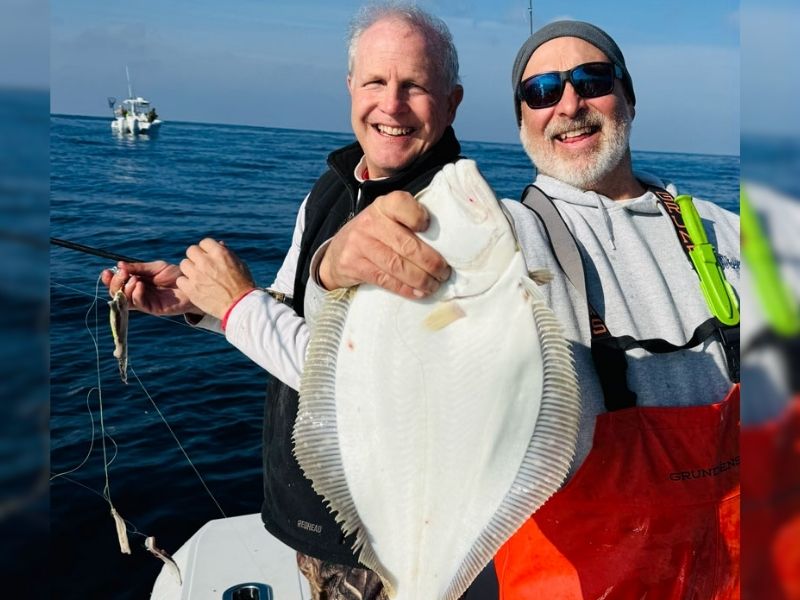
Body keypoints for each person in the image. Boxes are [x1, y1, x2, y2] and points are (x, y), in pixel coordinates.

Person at [317, 20, 741, 599]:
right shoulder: (513, 234)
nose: (568, 104)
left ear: (629, 96)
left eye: (591, 80)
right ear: (522, 120)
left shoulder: (729, 231)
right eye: (541, 91)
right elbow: (366, 326)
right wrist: (334, 262)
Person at [102, 3, 462, 598]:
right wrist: (197, 304)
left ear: (451, 102)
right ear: (350, 87)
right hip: (310, 516)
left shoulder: (447, 217)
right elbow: (291, 311)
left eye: (415, 85)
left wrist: (239, 305)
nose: (391, 104)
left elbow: (363, 381)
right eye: (375, 81)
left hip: (382, 538)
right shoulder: (335, 184)